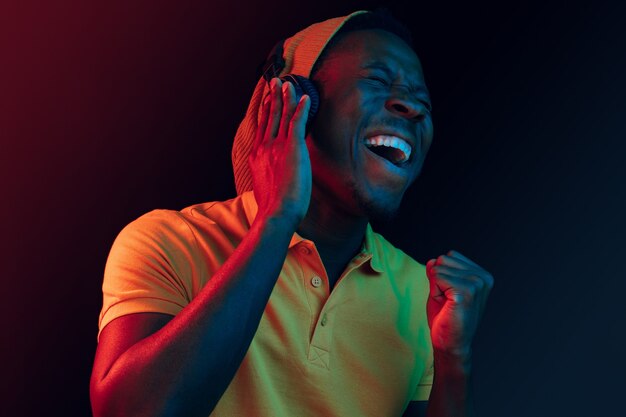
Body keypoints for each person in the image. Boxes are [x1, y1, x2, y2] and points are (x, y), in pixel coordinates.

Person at [90, 9, 494, 417]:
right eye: (376, 80)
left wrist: (453, 361)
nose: (412, 107)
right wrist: (276, 219)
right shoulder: (169, 240)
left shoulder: (424, 295)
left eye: (422, 100)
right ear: (296, 102)